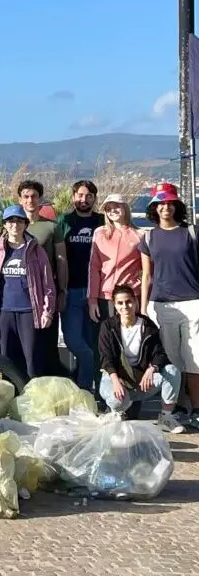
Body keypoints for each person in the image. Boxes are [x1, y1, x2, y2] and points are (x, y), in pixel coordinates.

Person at [139, 181, 199, 428]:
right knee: (172, 361)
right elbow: (146, 276)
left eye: (170, 203)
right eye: (161, 203)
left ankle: (196, 409)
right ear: (154, 208)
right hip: (161, 305)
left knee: (195, 360)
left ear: (177, 205)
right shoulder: (148, 237)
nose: (166, 207)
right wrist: (143, 308)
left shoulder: (192, 232)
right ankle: (177, 408)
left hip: (193, 302)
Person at [97, 284, 184, 432]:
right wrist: (116, 381)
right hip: (116, 379)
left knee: (172, 371)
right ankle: (117, 412)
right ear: (115, 305)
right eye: (120, 303)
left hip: (141, 382)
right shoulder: (108, 326)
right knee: (118, 401)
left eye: (129, 301)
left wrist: (152, 369)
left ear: (135, 301)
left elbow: (160, 353)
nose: (125, 306)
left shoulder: (147, 325)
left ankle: (166, 418)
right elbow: (106, 358)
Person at [0, 205, 56, 379]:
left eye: (19, 221)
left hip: (29, 312)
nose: (15, 225)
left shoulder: (36, 250)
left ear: (25, 224)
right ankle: (11, 394)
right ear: (4, 225)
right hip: (5, 312)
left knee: (31, 363)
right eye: (10, 221)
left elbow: (47, 283)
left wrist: (48, 311)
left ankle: (31, 394)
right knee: (7, 362)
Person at [17, 179, 68, 372]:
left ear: (40, 199)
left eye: (34, 196)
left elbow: (61, 260)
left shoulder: (52, 227)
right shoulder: (12, 226)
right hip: (20, 294)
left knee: (47, 343)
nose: (30, 200)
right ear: (20, 200)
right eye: (26, 196)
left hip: (46, 292)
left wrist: (62, 291)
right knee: (23, 345)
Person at [59, 180, 105, 392]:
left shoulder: (102, 221)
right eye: (80, 195)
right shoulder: (64, 221)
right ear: (73, 197)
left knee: (95, 342)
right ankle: (83, 385)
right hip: (71, 290)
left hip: (98, 292)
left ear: (94, 198)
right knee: (74, 341)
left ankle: (93, 390)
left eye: (88, 196)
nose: (84, 199)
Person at [88, 193, 142, 324]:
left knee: (131, 332)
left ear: (125, 207)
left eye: (116, 206)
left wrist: (139, 293)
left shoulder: (140, 235)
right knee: (109, 333)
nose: (112, 211)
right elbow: (94, 267)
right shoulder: (99, 233)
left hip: (131, 296)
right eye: (108, 209)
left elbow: (147, 270)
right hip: (105, 297)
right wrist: (92, 300)